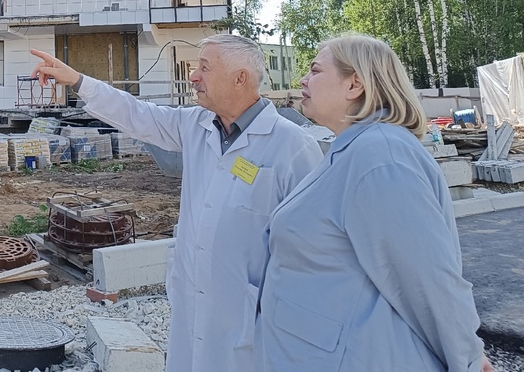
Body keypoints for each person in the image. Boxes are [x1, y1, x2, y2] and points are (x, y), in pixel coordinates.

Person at [31, 35, 322, 372]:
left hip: (250, 315)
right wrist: (78, 81)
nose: (193, 76)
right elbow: (136, 114)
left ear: (239, 78)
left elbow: (312, 249)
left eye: (205, 68)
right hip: (192, 301)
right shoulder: (197, 125)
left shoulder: (292, 146)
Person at [256, 34, 493, 372]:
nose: (303, 80)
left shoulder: (380, 156)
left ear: (355, 84)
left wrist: (467, 359)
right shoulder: (352, 149)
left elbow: (428, 279)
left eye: (315, 70)